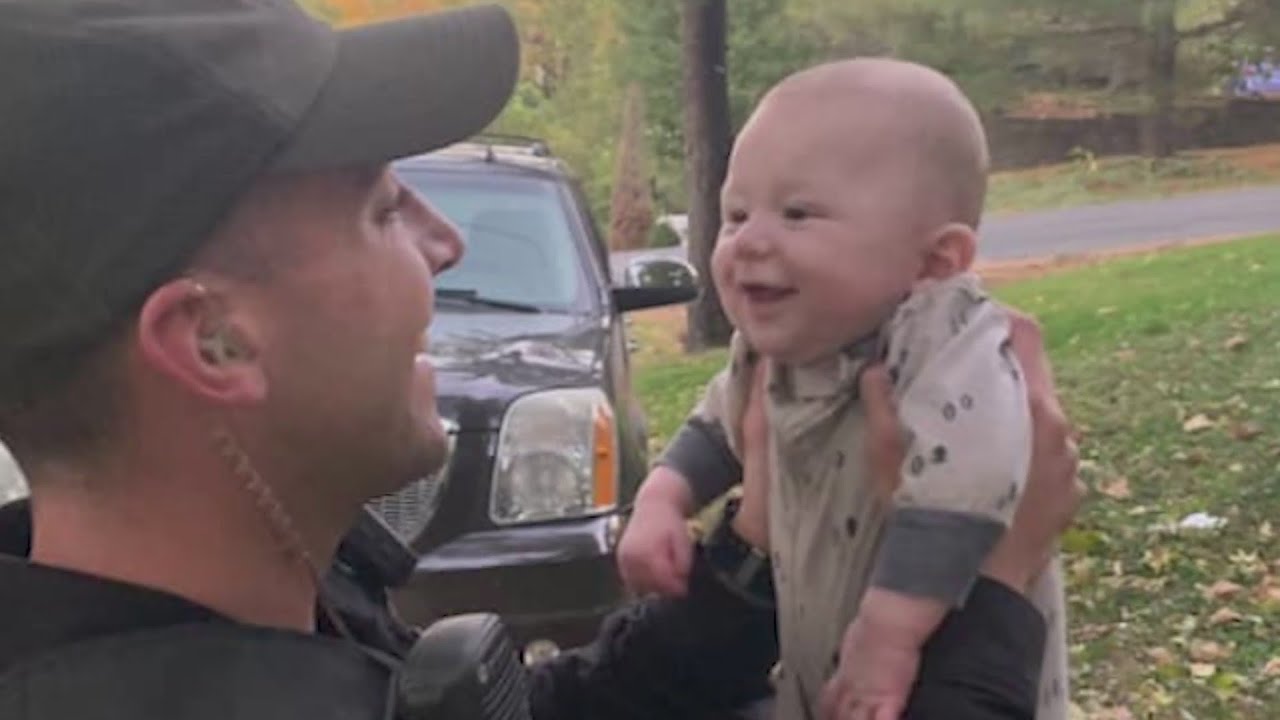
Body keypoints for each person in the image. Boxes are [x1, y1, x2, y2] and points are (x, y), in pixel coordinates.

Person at [0, 0, 1081, 718]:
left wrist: (746, 547)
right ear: (214, 342)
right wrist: (994, 589)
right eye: (382, 207)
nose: (446, 237)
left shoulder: (216, 613)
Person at [618, 59, 1071, 720]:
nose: (748, 241)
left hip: (957, 673)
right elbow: (720, 424)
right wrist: (662, 498)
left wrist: (888, 635)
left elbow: (971, 477)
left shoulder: (944, 336)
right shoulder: (780, 348)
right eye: (736, 213)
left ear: (935, 261)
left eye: (797, 213)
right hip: (827, 675)